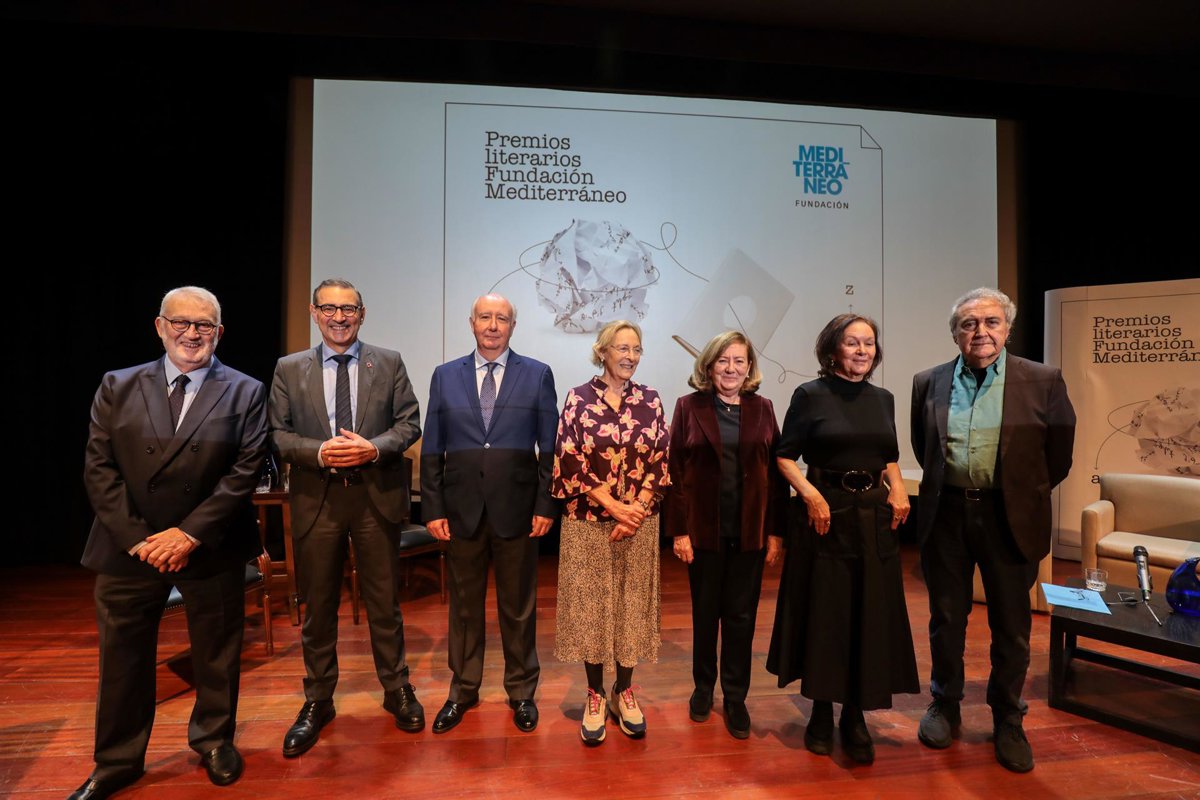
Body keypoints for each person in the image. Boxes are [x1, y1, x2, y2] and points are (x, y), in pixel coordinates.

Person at [75, 286, 267, 799]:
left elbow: (245, 471)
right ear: (159, 327)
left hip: (211, 543)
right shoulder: (117, 384)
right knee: (123, 661)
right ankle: (117, 761)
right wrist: (140, 539)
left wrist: (188, 534)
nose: (192, 333)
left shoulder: (246, 390)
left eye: (203, 325)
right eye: (180, 322)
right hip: (129, 546)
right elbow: (99, 468)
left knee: (217, 655)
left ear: (219, 333)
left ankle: (214, 741)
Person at [911, 287, 1075, 773]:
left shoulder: (1043, 380)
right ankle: (945, 702)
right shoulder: (928, 381)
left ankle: (1007, 715)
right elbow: (925, 448)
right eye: (968, 324)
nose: (979, 332)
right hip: (947, 516)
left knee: (1012, 624)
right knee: (946, 618)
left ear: (1007, 329)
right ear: (955, 333)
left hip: (1010, 518)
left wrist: (1019, 493)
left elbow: (1058, 456)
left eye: (990, 322)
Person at [269, 278, 424, 757]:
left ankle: (396, 688)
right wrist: (321, 452)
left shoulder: (389, 362)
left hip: (375, 499)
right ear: (314, 312)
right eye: (330, 309)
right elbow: (277, 434)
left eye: (349, 309)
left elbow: (409, 422)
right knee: (318, 607)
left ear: (362, 314)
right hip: (318, 500)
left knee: (384, 604)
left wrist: (372, 448)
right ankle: (318, 699)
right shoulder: (289, 368)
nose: (339, 317)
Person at [766, 313, 919, 765]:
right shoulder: (810, 395)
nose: (862, 351)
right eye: (852, 343)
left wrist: (899, 487)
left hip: (873, 518)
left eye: (868, 343)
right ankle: (819, 709)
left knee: (867, 613)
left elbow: (888, 456)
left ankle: (854, 715)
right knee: (826, 613)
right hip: (825, 516)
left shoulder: (883, 398)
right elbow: (784, 457)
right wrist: (811, 496)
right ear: (833, 349)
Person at [421, 294, 559, 735]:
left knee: (518, 607)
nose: (493, 325)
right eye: (486, 317)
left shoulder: (537, 374)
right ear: (472, 323)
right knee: (464, 607)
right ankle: (462, 690)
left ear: (513, 326)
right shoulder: (445, 376)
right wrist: (432, 507)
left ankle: (521, 691)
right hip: (460, 510)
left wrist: (545, 504)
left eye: (502, 318)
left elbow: (550, 449)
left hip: (518, 511)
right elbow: (432, 447)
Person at [552, 319, 670, 745]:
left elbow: (660, 460)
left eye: (636, 349)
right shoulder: (578, 399)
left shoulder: (651, 400)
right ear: (602, 352)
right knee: (591, 608)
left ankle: (624, 690)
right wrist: (616, 508)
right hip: (588, 523)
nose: (630, 357)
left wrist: (634, 512)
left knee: (631, 606)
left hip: (639, 524)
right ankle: (595, 694)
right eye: (622, 348)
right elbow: (569, 459)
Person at [665, 330, 787, 739]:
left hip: (750, 533)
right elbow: (675, 471)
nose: (731, 369)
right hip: (703, 534)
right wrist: (679, 531)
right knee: (705, 615)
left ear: (749, 368)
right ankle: (703, 688)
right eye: (723, 361)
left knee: (741, 618)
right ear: (709, 365)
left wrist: (776, 533)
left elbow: (775, 476)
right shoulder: (689, 406)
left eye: (739, 361)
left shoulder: (763, 408)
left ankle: (736, 696)